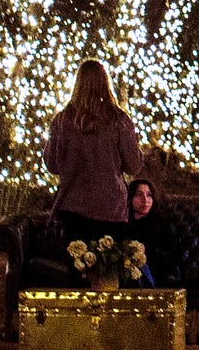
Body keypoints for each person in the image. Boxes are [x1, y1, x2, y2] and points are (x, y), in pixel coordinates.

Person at [45, 58, 143, 248]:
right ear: (105, 83)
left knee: (78, 268)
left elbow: (52, 165)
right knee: (107, 271)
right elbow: (133, 165)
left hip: (73, 207)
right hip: (111, 207)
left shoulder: (62, 120)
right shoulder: (119, 120)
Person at [118, 178, 177, 286]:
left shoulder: (164, 225)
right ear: (130, 198)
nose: (145, 200)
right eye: (139, 195)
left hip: (156, 272)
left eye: (149, 195)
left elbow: (173, 257)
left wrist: (146, 252)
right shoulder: (122, 225)